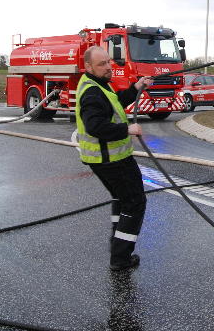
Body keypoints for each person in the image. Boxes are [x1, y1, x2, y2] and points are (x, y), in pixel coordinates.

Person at [75, 45, 154, 271]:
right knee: (135, 202)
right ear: (88, 66)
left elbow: (115, 102)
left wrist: (136, 87)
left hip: (105, 158)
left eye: (108, 61)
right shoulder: (92, 92)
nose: (108, 67)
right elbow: (95, 125)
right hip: (111, 159)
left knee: (121, 199)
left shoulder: (98, 85)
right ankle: (120, 259)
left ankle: (117, 242)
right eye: (102, 64)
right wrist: (127, 130)